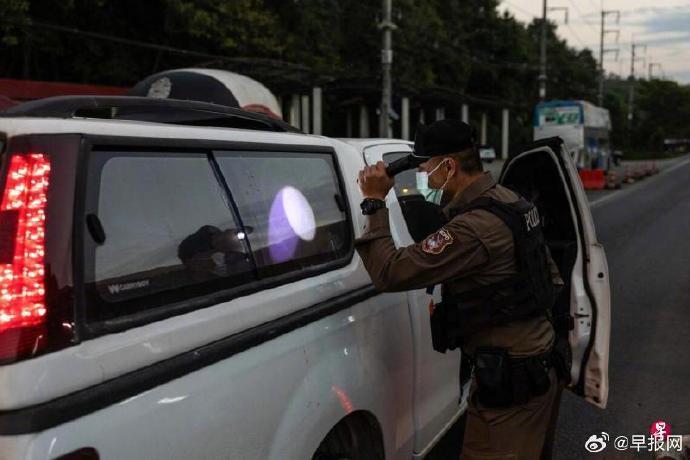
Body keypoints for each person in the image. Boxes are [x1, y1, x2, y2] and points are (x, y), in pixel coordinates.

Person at [355, 119, 565, 460]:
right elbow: (550, 277)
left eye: (425, 169)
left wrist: (374, 202)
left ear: (449, 167)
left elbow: (390, 272)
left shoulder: (473, 227)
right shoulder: (510, 201)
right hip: (537, 365)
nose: (423, 178)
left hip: (512, 384)